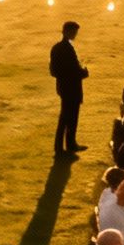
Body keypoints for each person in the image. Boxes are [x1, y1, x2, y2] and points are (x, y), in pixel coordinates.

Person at [49, 20, 88, 157]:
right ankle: (64, 147)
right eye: (73, 32)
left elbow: (53, 71)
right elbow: (71, 70)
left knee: (68, 118)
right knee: (68, 118)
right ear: (66, 32)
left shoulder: (57, 48)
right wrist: (83, 72)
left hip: (64, 88)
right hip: (70, 88)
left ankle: (68, 145)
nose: (75, 35)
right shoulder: (66, 49)